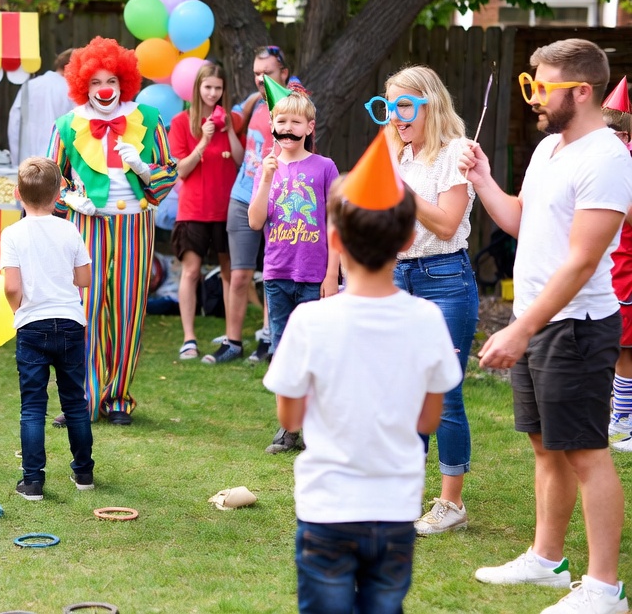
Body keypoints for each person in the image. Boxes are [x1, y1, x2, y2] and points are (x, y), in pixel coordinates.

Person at [463, 39, 632, 613]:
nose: (533, 98)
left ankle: (604, 588)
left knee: (586, 451)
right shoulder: (549, 151)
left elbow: (583, 259)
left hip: (576, 326)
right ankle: (547, 560)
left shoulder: (607, 157)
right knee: (545, 447)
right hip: (539, 322)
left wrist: (520, 329)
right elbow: (520, 219)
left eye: (542, 87)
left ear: (581, 91)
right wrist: (485, 181)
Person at [264, 138, 462, 614]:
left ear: (333, 240)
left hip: (326, 508)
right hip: (395, 510)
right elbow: (429, 420)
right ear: (409, 238)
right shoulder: (427, 320)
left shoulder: (309, 321)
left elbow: (289, 415)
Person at [370, 66, 479, 536]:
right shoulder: (400, 151)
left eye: (404, 106)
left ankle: (451, 504)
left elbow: (447, 224)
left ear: (429, 104)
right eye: (389, 107)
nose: (395, 116)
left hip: (444, 279)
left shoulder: (456, 152)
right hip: (400, 275)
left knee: (444, 394)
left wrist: (403, 192)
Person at [46, 36, 177, 427]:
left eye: (112, 82)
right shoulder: (68, 125)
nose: (104, 90)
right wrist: (70, 200)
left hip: (135, 225)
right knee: (83, 311)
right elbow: (49, 178)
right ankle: (80, 401)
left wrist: (143, 169)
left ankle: (117, 397)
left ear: (124, 82)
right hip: (88, 225)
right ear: (82, 86)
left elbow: (168, 171)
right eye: (95, 83)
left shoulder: (148, 119)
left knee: (127, 310)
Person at [249, 91, 339, 454]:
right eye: (281, 122)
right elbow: (256, 221)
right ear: (272, 126)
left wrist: (332, 275)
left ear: (309, 127)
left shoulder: (324, 167)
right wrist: (268, 179)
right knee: (284, 350)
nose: (287, 128)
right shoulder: (266, 168)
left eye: (295, 122)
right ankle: (288, 429)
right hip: (278, 274)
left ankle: (319, 428)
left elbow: (336, 224)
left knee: (319, 352)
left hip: (316, 276)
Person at [1, 156, 94, 499]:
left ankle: (33, 481)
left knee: (33, 407)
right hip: (70, 323)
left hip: (32, 326)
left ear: (17, 194)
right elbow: (83, 277)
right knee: (74, 402)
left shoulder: (12, 234)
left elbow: (12, 287)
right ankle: (84, 474)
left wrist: (19, 310)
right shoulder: (69, 229)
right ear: (58, 196)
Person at [166, 62, 245, 363]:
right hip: (193, 209)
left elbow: (239, 160)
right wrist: (205, 141)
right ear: (198, 88)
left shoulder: (233, 120)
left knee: (229, 274)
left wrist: (229, 131)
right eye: (208, 87)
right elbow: (180, 172)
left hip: (228, 209)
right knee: (191, 271)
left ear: (224, 90)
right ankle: (189, 339)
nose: (213, 93)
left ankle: (230, 336)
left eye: (218, 88)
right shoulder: (181, 121)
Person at [226, 46, 289, 365]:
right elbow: (247, 153)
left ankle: (267, 340)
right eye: (256, 73)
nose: (261, 78)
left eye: (268, 72)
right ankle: (232, 342)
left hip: (275, 198)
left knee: (271, 274)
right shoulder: (255, 104)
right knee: (239, 275)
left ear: (284, 73)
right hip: (241, 194)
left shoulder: (292, 106)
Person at [603, 107, 632, 452]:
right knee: (616, 349)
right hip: (609, 272)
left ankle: (622, 423)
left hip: (625, 271)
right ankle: (620, 418)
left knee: (625, 350)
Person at [7, 49, 74, 164]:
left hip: (28, 163)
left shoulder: (29, 86)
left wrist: (16, 160)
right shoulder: (72, 91)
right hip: (59, 164)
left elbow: (14, 124)